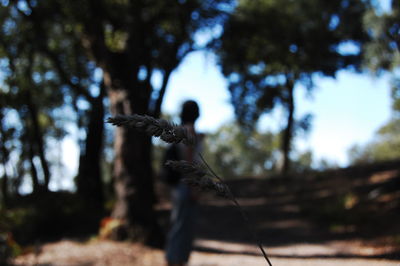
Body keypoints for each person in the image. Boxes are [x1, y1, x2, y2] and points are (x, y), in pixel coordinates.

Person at [165, 100, 203, 266]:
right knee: (184, 226)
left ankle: (174, 259)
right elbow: (189, 162)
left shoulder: (178, 131)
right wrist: (194, 188)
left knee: (178, 224)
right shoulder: (190, 131)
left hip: (177, 187)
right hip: (186, 186)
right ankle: (177, 261)